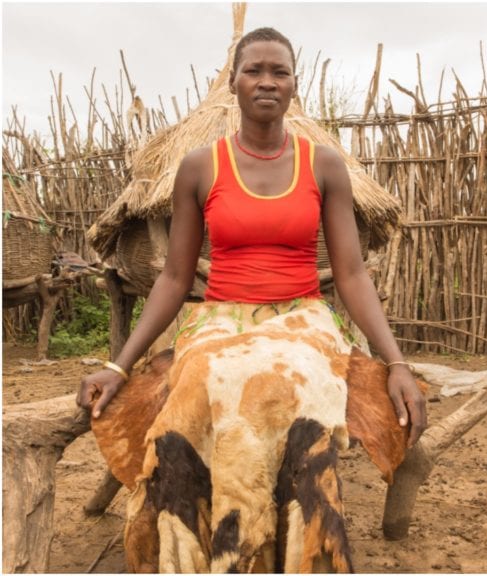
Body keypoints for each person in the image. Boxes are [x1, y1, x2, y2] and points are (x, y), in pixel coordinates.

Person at [77, 27, 425, 572]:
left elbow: (353, 275)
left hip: (301, 316)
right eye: (254, 71)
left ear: (293, 86)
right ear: (233, 85)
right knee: (194, 391)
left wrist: (396, 361)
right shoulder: (199, 166)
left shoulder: (324, 165)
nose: (266, 81)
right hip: (218, 317)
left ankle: (299, 555)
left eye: (279, 72)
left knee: (301, 388)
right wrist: (117, 365)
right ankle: (200, 555)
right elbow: (174, 276)